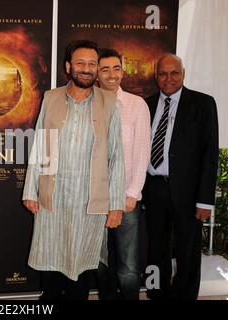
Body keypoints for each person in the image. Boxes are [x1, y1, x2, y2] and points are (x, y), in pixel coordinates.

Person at [22, 40, 126, 300]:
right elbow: (41, 146)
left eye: (92, 64)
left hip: (89, 200)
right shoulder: (52, 97)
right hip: (53, 196)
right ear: (69, 67)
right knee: (51, 262)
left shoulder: (109, 103)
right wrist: (30, 191)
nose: (86, 69)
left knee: (81, 266)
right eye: (80, 63)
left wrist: (116, 205)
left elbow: (116, 155)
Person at [143, 54, 219, 300]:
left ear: (183, 74)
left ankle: (184, 296)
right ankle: (156, 292)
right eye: (163, 73)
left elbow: (209, 154)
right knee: (155, 248)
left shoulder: (203, 104)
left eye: (174, 73)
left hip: (188, 192)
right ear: (156, 75)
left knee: (187, 250)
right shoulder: (147, 104)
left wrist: (205, 200)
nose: (168, 79)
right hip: (153, 188)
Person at [97, 48, 151, 300]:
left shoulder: (136, 105)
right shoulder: (87, 104)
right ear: (96, 72)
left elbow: (142, 152)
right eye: (105, 68)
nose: (111, 74)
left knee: (128, 265)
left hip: (125, 197)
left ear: (123, 70)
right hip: (94, 199)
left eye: (116, 68)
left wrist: (132, 194)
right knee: (99, 261)